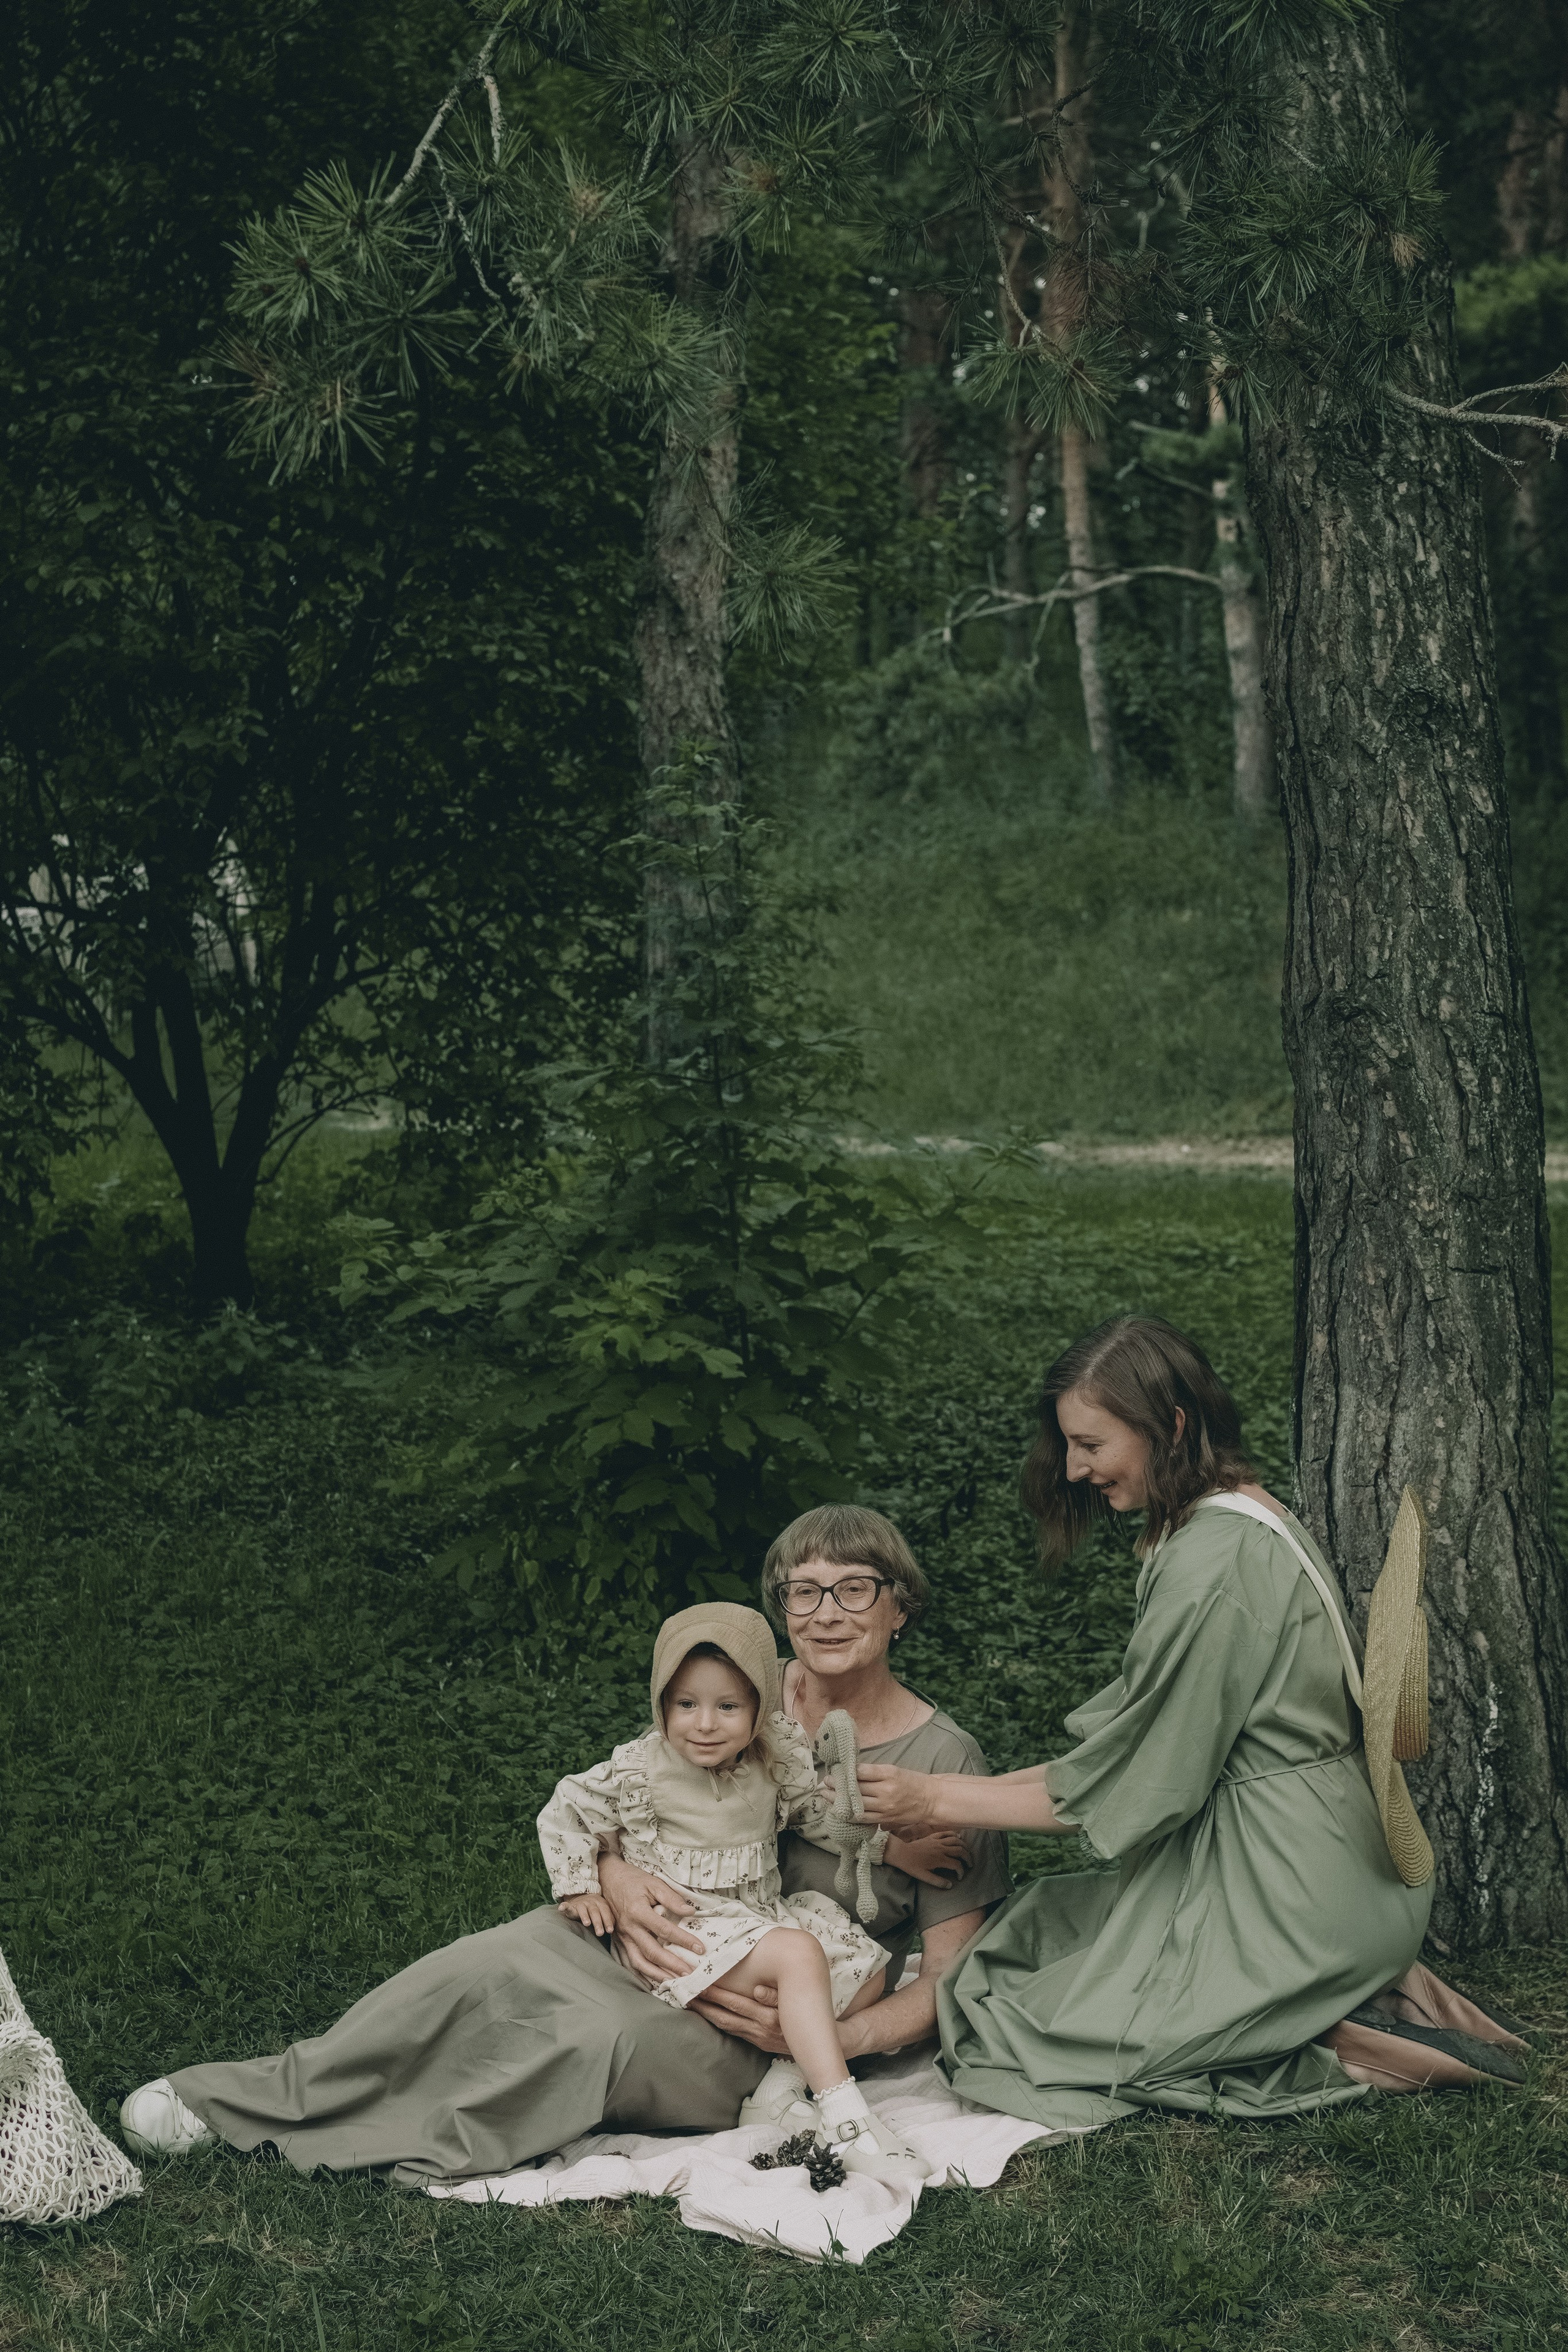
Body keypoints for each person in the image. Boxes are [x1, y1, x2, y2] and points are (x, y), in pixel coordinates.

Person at [120, 1505, 1009, 2181]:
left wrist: (831, 2041)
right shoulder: (734, 1689)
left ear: (900, 1606)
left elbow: (948, 1977)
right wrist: (612, 1876)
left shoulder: (946, 1763)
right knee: (476, 1969)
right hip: (641, 1931)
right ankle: (244, 2096)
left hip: (763, 2018)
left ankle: (351, 2140)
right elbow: (626, 1797)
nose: (826, 1612)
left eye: (855, 1588)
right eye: (803, 1591)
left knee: (587, 2044)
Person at [852, 1317, 1529, 2128]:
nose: (1073, 1469)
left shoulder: (1211, 1565)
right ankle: (1350, 1993)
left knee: (1014, 2035)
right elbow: (1121, 1753)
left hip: (1291, 1891)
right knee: (1025, 1936)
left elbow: (1135, 1787)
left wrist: (933, 1800)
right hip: (1341, 1866)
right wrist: (941, 1793)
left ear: (1170, 1426)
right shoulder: (1241, 1516)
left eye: (1091, 1444)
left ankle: (1337, 2038)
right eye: (1069, 1445)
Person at [538, 1604, 928, 2185]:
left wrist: (892, 1850)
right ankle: (848, 2118)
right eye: (685, 1704)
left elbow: (815, 1818)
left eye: (728, 1707)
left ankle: (780, 2089)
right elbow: (566, 1808)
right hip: (683, 1927)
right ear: (662, 1704)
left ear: (759, 1708)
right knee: (800, 1954)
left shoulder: (773, 1759)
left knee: (866, 1966)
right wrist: (580, 1886)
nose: (704, 1724)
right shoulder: (642, 1769)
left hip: (756, 1917)